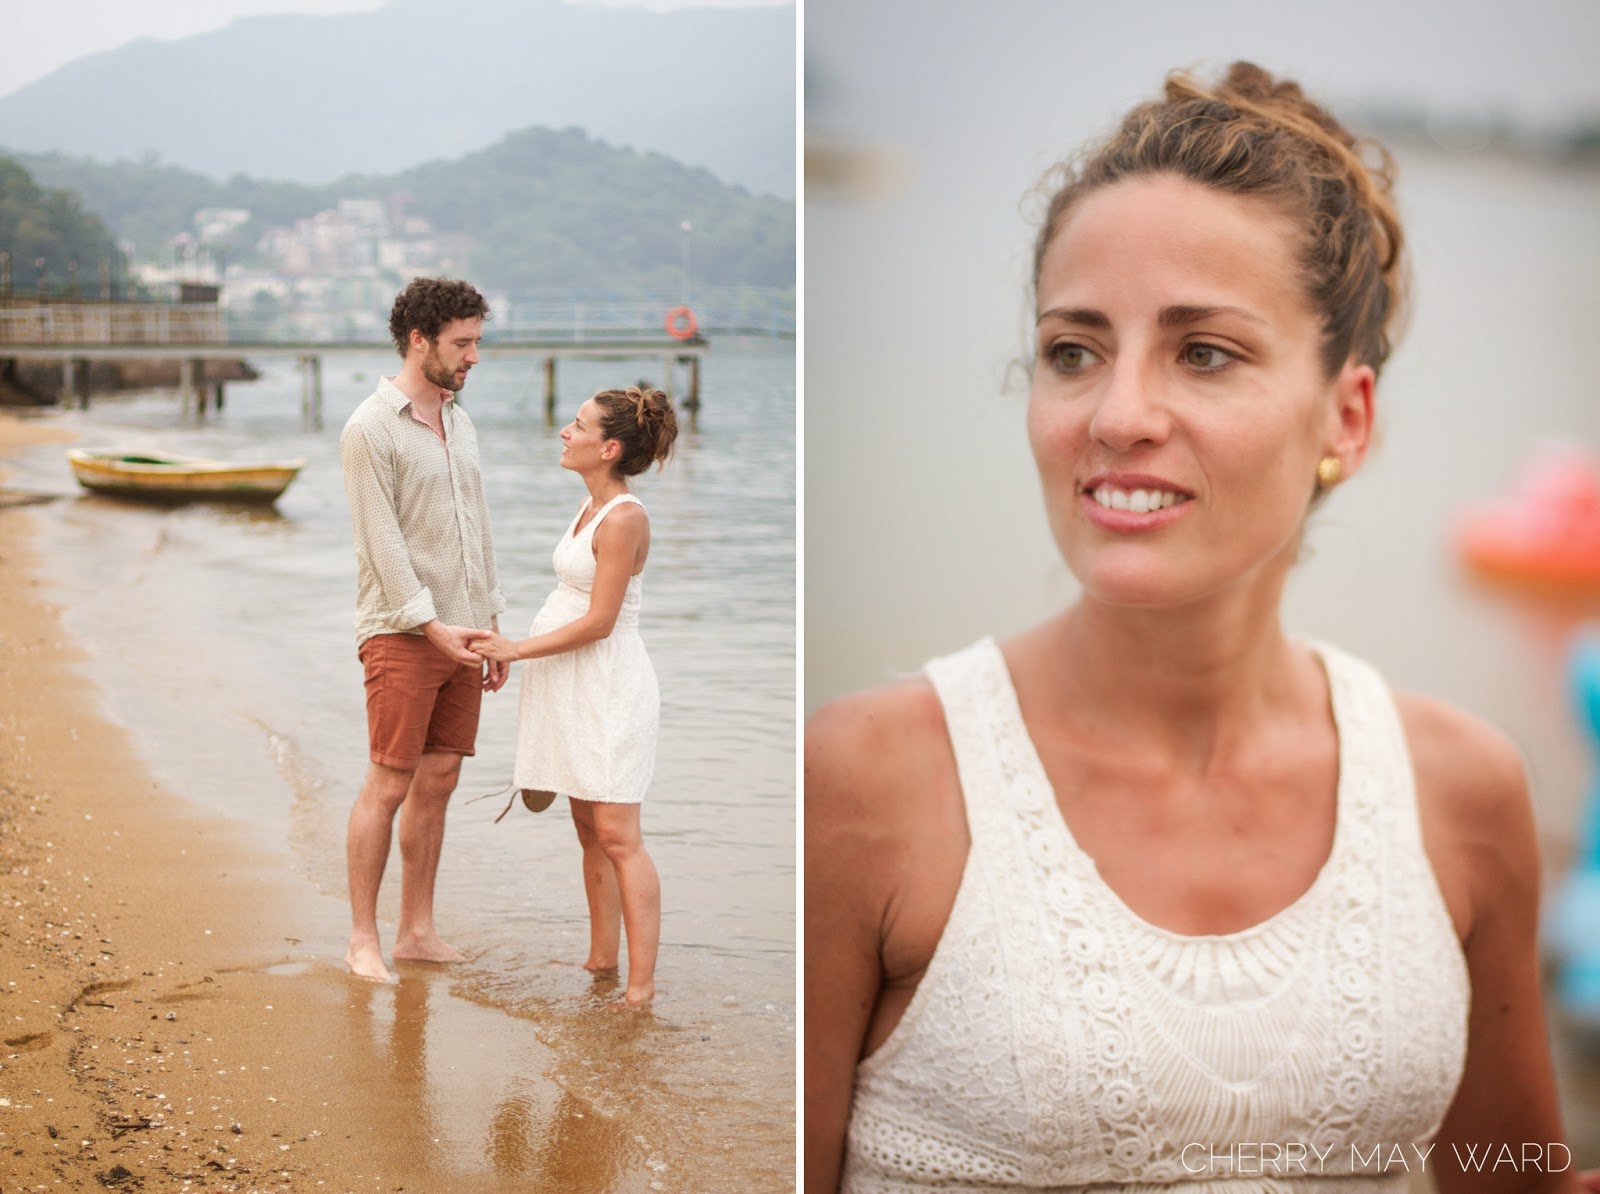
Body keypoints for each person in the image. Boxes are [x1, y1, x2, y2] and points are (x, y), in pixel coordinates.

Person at [805, 63, 1599, 1192]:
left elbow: (1505, 1171)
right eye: (1073, 350)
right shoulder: (869, 781)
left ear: (1347, 416)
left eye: (1205, 352)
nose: (1118, 414)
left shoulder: (1459, 794)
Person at [471, 385, 678, 1007]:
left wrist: (515, 651)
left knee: (619, 834)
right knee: (588, 829)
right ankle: (600, 959)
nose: (565, 431)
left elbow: (600, 621)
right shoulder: (589, 507)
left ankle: (640, 988)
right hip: (569, 682)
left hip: (608, 686)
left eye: (579, 425)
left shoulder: (626, 516)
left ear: (609, 447)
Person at [339, 276, 509, 984]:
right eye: (462, 344)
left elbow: (478, 530)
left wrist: (491, 623)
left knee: (438, 780)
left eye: (476, 342)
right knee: (389, 782)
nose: (473, 357)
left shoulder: (459, 421)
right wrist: (431, 627)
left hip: (464, 633)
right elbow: (383, 544)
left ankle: (416, 931)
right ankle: (362, 941)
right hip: (402, 633)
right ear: (420, 340)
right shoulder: (369, 428)